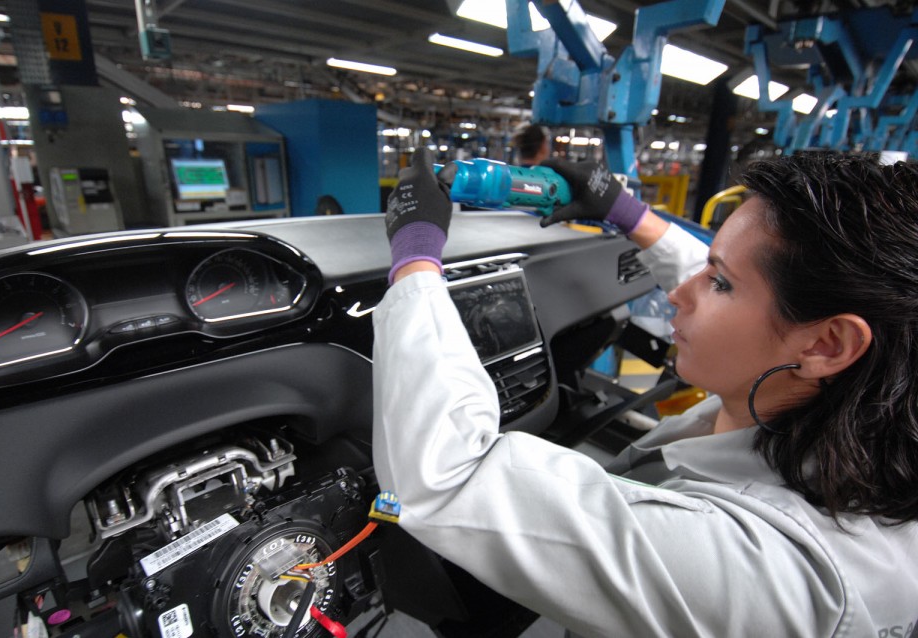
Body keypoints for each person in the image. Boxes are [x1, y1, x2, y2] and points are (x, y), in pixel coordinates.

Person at [373, 147, 918, 636]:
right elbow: (763, 308)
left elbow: (447, 475)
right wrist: (621, 210)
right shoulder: (867, 408)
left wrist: (416, 255)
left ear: (828, 344)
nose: (681, 294)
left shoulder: (773, 572)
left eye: (718, 281)